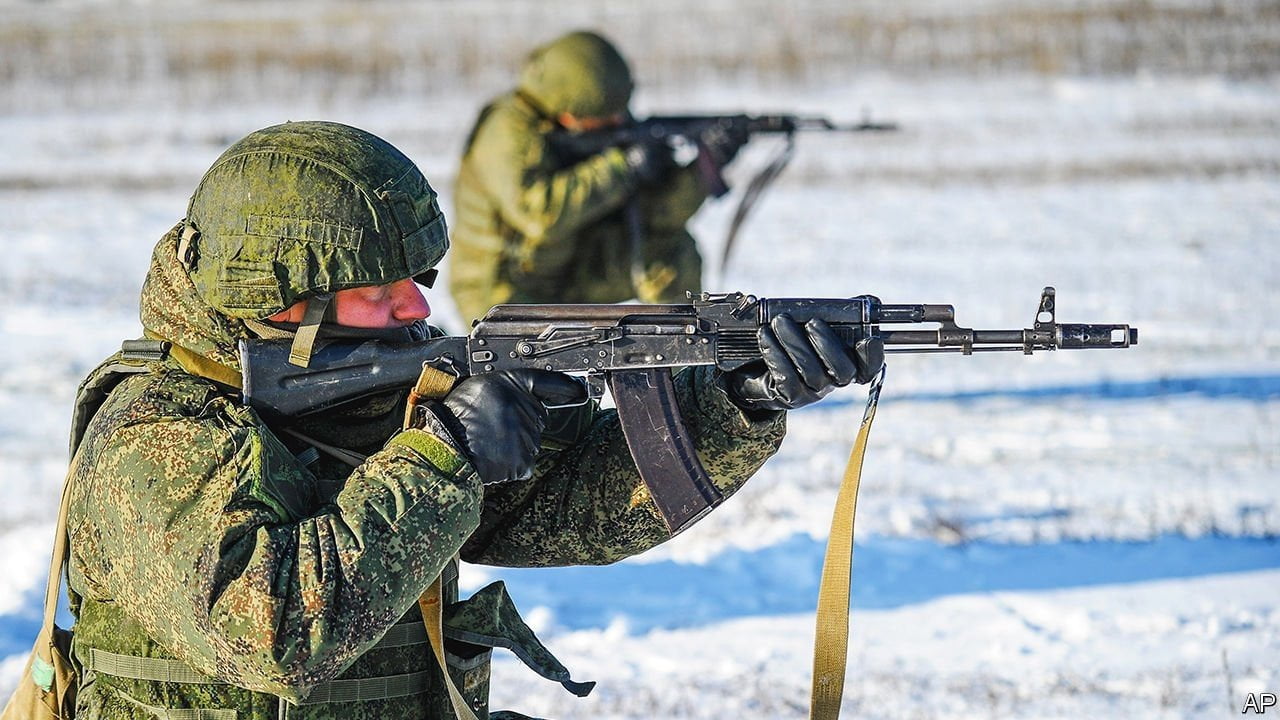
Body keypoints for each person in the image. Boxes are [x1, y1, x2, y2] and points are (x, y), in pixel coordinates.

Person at [61, 121, 882, 719]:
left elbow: (568, 514)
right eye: (381, 289)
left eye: (417, 277)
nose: (419, 304)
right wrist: (443, 457)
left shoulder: (369, 386)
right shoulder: (151, 432)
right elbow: (270, 634)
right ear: (283, 305)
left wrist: (736, 400)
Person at [448, 30, 748, 325]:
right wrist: (620, 167)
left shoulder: (600, 130)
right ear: (569, 110)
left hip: (572, 269)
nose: (617, 122)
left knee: (671, 250)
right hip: (505, 290)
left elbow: (657, 216)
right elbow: (539, 215)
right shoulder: (507, 131)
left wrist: (703, 169)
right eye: (604, 117)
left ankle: (683, 359)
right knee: (529, 374)